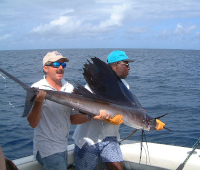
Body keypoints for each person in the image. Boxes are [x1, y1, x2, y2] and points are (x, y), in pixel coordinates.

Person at [72, 50, 138, 170]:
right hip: (88, 139)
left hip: (110, 137)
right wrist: (94, 116)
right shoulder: (94, 85)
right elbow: (75, 118)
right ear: (117, 65)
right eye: (126, 64)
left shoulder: (125, 86)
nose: (129, 68)